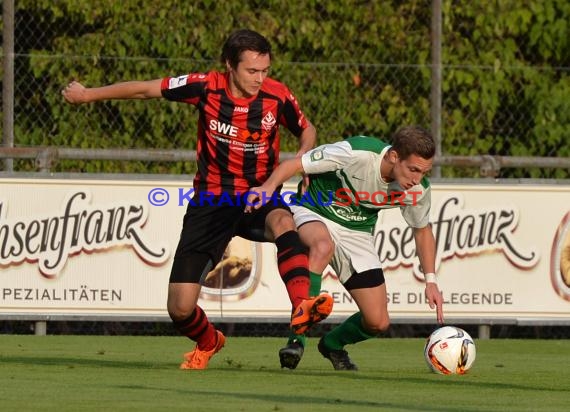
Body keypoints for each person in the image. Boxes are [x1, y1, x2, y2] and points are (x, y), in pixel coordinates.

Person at [62, 29, 333, 370]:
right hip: (211, 201)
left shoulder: (276, 96)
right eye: (252, 71)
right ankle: (209, 340)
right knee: (179, 307)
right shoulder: (205, 86)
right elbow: (146, 89)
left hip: (258, 194)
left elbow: (306, 129)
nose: (260, 78)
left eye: (264, 70)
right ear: (229, 65)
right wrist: (88, 95)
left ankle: (302, 306)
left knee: (283, 221)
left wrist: (304, 158)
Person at [246, 125, 445, 370]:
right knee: (322, 245)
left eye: (424, 172)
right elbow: (296, 164)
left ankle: (332, 345)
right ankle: (296, 340)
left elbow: (422, 231)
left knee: (378, 321)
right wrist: (267, 189)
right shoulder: (356, 152)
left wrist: (431, 281)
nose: (417, 179)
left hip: (357, 233)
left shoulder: (418, 189)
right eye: (413, 169)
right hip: (314, 211)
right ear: (394, 156)